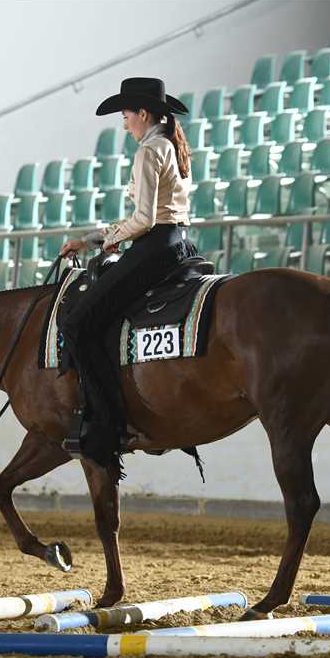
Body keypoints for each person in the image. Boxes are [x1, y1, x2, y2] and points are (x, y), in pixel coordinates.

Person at [58, 77, 198, 475]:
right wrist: (93, 239)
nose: (124, 125)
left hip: (156, 247)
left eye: (125, 116)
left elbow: (144, 219)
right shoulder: (170, 145)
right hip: (178, 243)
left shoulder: (149, 151)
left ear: (143, 113)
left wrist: (104, 240)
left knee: (78, 324)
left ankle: (108, 424)